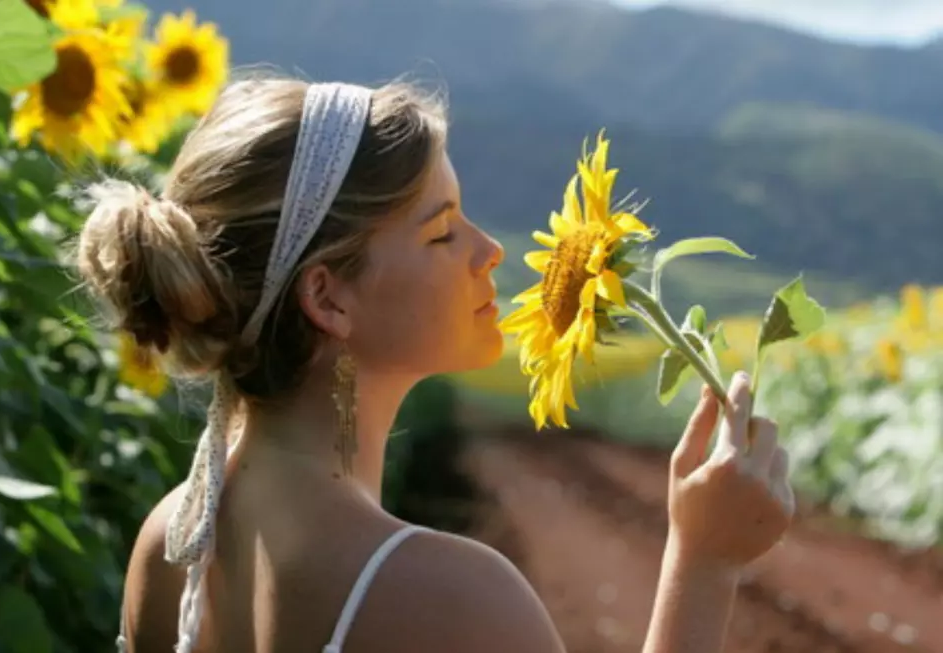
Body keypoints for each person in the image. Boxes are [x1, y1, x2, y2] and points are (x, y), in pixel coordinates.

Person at [76, 76, 795, 653]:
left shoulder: (171, 542)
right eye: (442, 231)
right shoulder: (441, 594)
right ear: (328, 297)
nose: (491, 251)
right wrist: (703, 565)